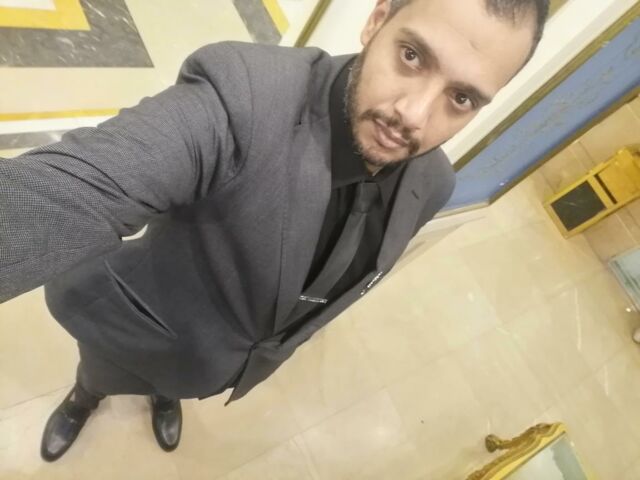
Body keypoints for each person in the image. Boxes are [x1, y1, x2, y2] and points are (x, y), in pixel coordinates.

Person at [0, 0, 549, 462]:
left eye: (461, 98)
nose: (415, 115)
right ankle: (84, 397)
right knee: (100, 373)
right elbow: (78, 187)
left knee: (170, 383)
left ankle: (165, 395)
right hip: (138, 327)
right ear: (377, 20)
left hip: (206, 364)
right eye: (411, 56)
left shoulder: (434, 184)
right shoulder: (241, 97)